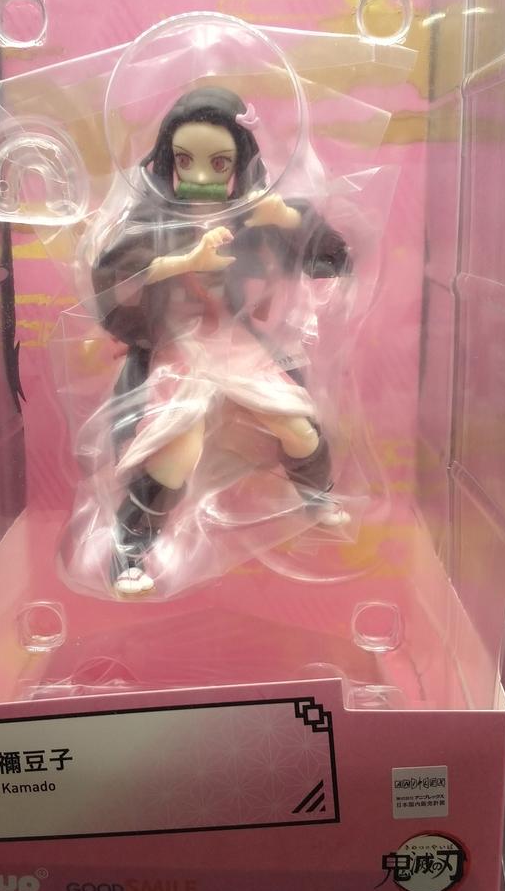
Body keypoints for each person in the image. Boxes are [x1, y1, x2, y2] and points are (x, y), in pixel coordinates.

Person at [91, 86, 352, 596]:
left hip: (234, 343)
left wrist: (285, 217)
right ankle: (129, 549)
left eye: (219, 163)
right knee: (175, 453)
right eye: (185, 161)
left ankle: (317, 495)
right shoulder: (154, 221)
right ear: (168, 160)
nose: (201, 177)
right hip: (178, 347)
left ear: (239, 163)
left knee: (297, 427)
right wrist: (184, 262)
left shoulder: (252, 214)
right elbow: (112, 274)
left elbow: (335, 258)